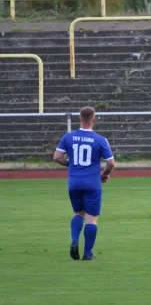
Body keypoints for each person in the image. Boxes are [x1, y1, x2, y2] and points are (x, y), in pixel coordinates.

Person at [53, 106, 115, 261]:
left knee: (78, 213)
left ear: (79, 119)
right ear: (94, 120)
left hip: (74, 182)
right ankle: (87, 253)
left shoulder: (68, 137)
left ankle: (74, 239)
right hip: (92, 182)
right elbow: (111, 163)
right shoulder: (100, 140)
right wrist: (104, 174)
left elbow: (57, 157)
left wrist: (72, 164)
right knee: (92, 218)